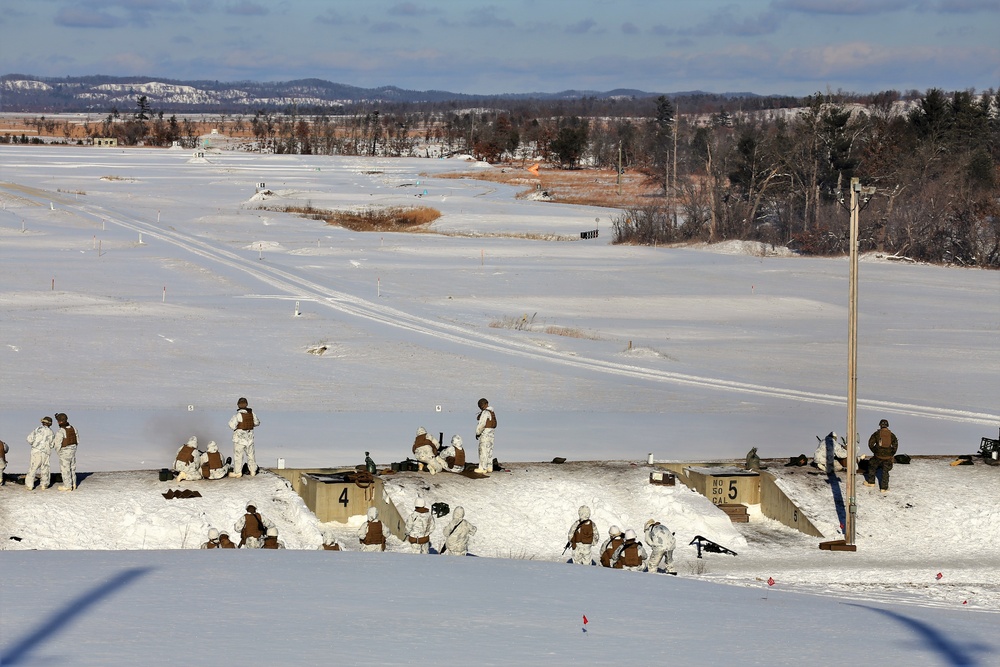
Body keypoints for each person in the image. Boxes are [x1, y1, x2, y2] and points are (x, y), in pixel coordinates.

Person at [228, 397, 260, 477]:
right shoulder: (252, 414)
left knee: (238, 456)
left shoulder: (237, 415)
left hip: (239, 439)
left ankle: (238, 472)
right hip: (249, 438)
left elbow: (231, 425)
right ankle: (252, 471)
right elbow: (257, 423)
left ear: (238, 405)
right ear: (247, 404)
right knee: (251, 455)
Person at [865, 419, 899, 494]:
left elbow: (870, 443)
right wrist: (891, 454)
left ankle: (871, 482)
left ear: (880, 425)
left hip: (877, 456)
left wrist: (875, 451)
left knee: (872, 466)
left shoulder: (876, 434)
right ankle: (884, 488)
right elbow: (895, 446)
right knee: (885, 471)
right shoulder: (892, 435)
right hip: (887, 457)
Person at [25, 416, 55, 491]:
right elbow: (52, 444)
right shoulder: (51, 432)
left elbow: (29, 439)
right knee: (45, 467)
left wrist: (34, 444)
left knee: (33, 467)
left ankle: (29, 485)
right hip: (46, 452)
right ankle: (44, 485)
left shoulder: (37, 429)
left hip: (36, 451)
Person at [53, 413, 79, 491]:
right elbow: (77, 441)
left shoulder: (61, 431)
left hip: (64, 452)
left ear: (60, 421)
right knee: (72, 468)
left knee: (65, 469)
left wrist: (59, 452)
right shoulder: (73, 428)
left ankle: (67, 486)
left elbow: (57, 444)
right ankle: (73, 484)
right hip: (73, 451)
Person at [474, 398, 496, 475]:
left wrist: (477, 433)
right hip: (491, 434)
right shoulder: (492, 412)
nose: (480, 407)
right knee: (489, 451)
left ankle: (482, 468)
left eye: (481, 405)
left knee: (483, 451)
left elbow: (482, 424)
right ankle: (489, 467)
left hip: (485, 434)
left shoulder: (485, 412)